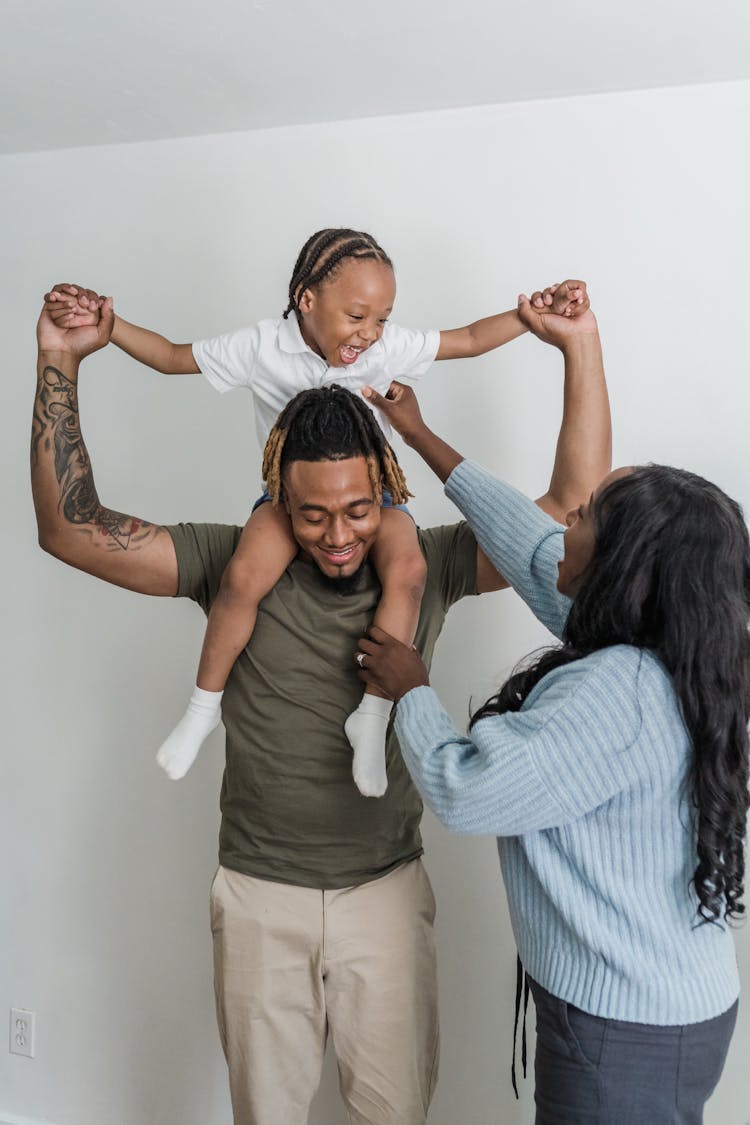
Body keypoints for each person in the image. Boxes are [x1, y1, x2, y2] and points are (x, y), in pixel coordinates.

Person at [31, 283, 610, 1125]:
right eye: (311, 516)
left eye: (358, 511)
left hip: (385, 891)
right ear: (276, 494)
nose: (338, 536)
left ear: (387, 488)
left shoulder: (433, 563)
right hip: (259, 894)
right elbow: (72, 529)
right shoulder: (229, 560)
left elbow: (566, 519)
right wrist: (58, 359)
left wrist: (578, 343)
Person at [354, 309, 749, 1123]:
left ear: (621, 567)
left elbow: (469, 788)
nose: (565, 519)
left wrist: (411, 690)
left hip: (626, 1032)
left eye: (585, 519)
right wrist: (422, 436)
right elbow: (529, 541)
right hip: (664, 1007)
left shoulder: (620, 692)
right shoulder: (673, 644)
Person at [43, 228, 589, 796]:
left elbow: (470, 339)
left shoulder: (385, 347)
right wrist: (112, 330)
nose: (370, 334)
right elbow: (174, 358)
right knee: (242, 578)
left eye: (382, 318)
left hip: (379, 499)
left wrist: (532, 315)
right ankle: (202, 709)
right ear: (307, 300)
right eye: (357, 316)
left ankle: (371, 720)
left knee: (409, 573)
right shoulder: (261, 346)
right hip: (287, 501)